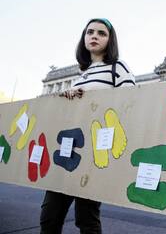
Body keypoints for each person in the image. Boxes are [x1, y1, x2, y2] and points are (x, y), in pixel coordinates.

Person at [40, 18, 136, 234]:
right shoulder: (80, 75)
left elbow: (131, 103)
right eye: (90, 32)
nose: (94, 36)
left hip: (94, 154)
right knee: (49, 217)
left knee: (87, 219)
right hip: (67, 153)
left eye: (101, 33)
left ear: (110, 40)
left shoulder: (117, 68)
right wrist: (65, 100)